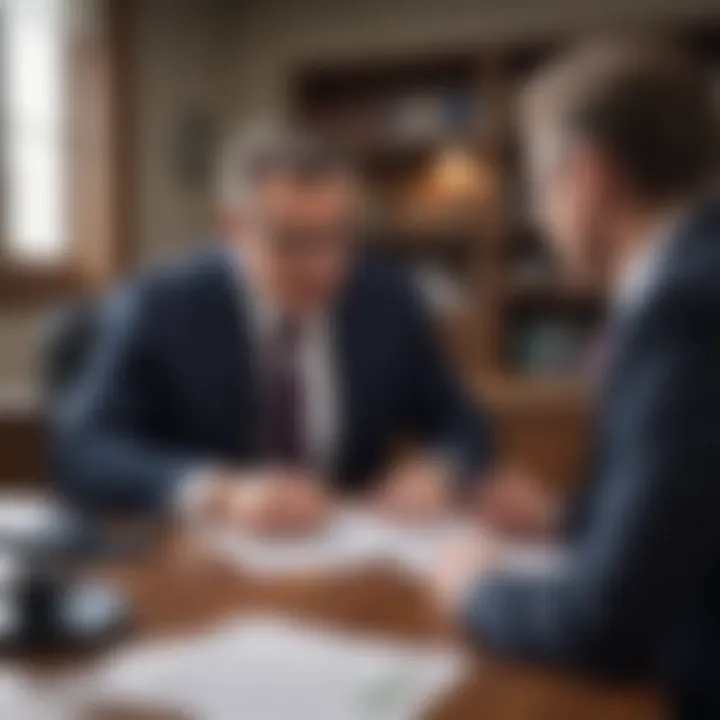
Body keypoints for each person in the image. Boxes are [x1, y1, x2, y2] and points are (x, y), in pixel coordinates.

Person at [431, 39, 720, 719]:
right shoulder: (690, 279)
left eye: (536, 184)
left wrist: (473, 588)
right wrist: (563, 518)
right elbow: (686, 513)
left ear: (586, 177)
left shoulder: (690, 313)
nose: (537, 214)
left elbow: (607, 626)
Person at [51, 124, 494, 533]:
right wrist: (217, 492)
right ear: (232, 229)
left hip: (349, 553)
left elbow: (465, 426)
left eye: (340, 235)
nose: (325, 266)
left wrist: (441, 470)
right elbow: (84, 448)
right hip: (201, 562)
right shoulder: (159, 306)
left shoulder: (389, 303)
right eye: (293, 242)